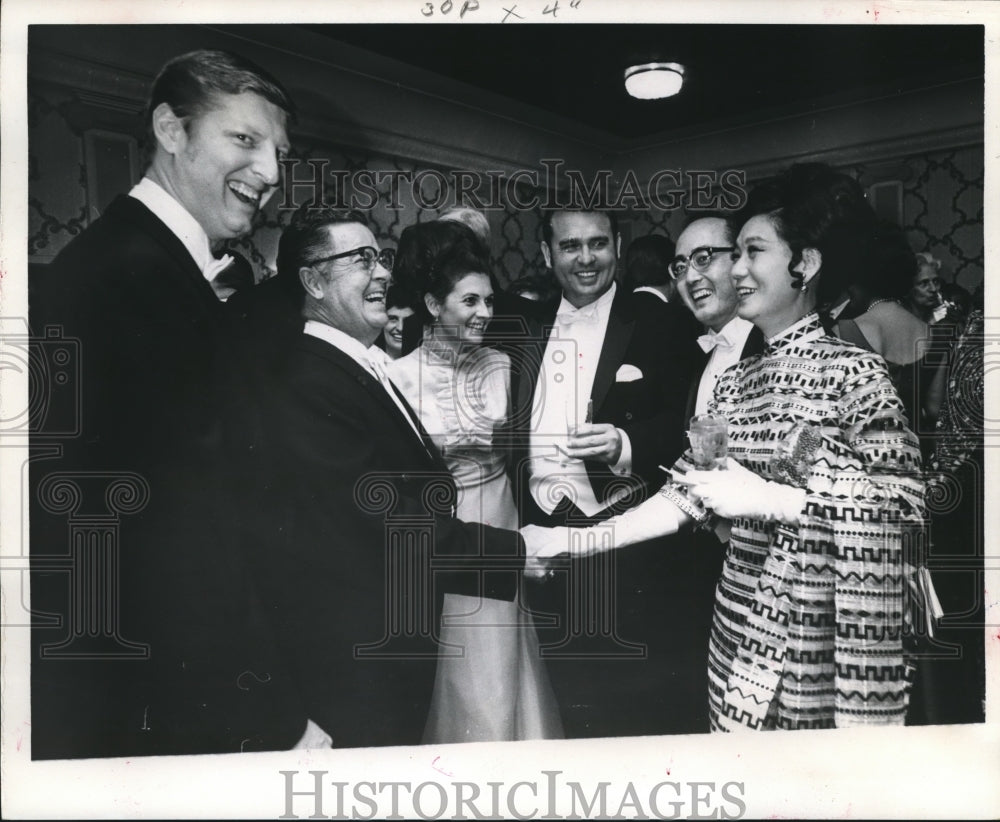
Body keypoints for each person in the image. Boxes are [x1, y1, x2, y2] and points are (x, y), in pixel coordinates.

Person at [523, 165, 927, 731]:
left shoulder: (853, 373)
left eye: (751, 252)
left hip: (823, 643)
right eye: (733, 254)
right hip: (736, 627)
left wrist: (771, 499)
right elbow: (683, 497)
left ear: (804, 264)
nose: (735, 269)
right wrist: (571, 540)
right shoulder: (737, 383)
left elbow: (903, 510)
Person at [30, 49, 309, 758]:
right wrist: (272, 716)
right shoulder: (134, 277)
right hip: (163, 693)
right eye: (243, 140)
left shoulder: (140, 261)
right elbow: (183, 533)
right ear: (171, 130)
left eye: (278, 152)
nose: (272, 174)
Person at [246, 208, 528, 749]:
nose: (382, 274)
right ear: (313, 281)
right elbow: (386, 522)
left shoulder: (357, 362)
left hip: (398, 630)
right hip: (362, 653)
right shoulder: (309, 380)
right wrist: (520, 552)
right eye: (361, 260)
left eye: (382, 258)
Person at [510, 208, 696, 738]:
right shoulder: (525, 327)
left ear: (617, 245)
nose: (586, 258)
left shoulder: (662, 322)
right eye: (570, 246)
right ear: (547, 255)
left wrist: (628, 443)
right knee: (560, 702)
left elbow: (693, 423)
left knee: (633, 703)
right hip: (541, 541)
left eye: (598, 243)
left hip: (625, 545)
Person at [387, 222, 562, 743]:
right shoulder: (399, 376)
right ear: (433, 305)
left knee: (504, 649)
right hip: (449, 525)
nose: (485, 312)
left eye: (489, 299)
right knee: (461, 655)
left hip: (502, 511)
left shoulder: (503, 364)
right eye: (470, 301)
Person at [374, 284, 418, 360]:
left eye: (407, 320)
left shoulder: (425, 366)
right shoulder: (367, 360)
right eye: (393, 319)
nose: (400, 328)